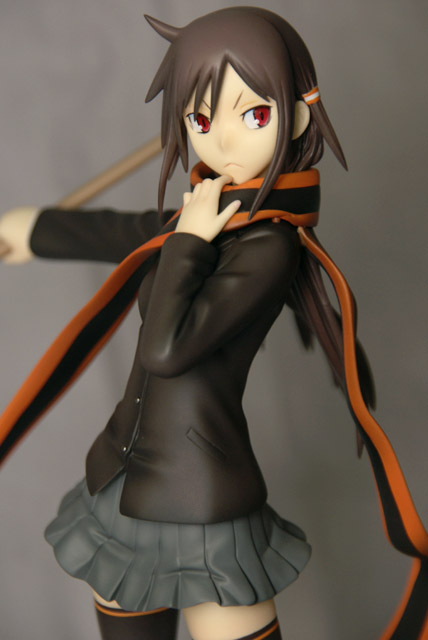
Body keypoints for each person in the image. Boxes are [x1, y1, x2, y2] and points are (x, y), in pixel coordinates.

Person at [0, 8, 426, 640]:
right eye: (201, 120)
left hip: (202, 504)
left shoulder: (268, 247)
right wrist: (32, 230)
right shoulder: (209, 215)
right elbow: (125, 232)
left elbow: (167, 348)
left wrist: (188, 242)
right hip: (120, 484)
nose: (221, 142)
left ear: (297, 117)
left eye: (252, 115)